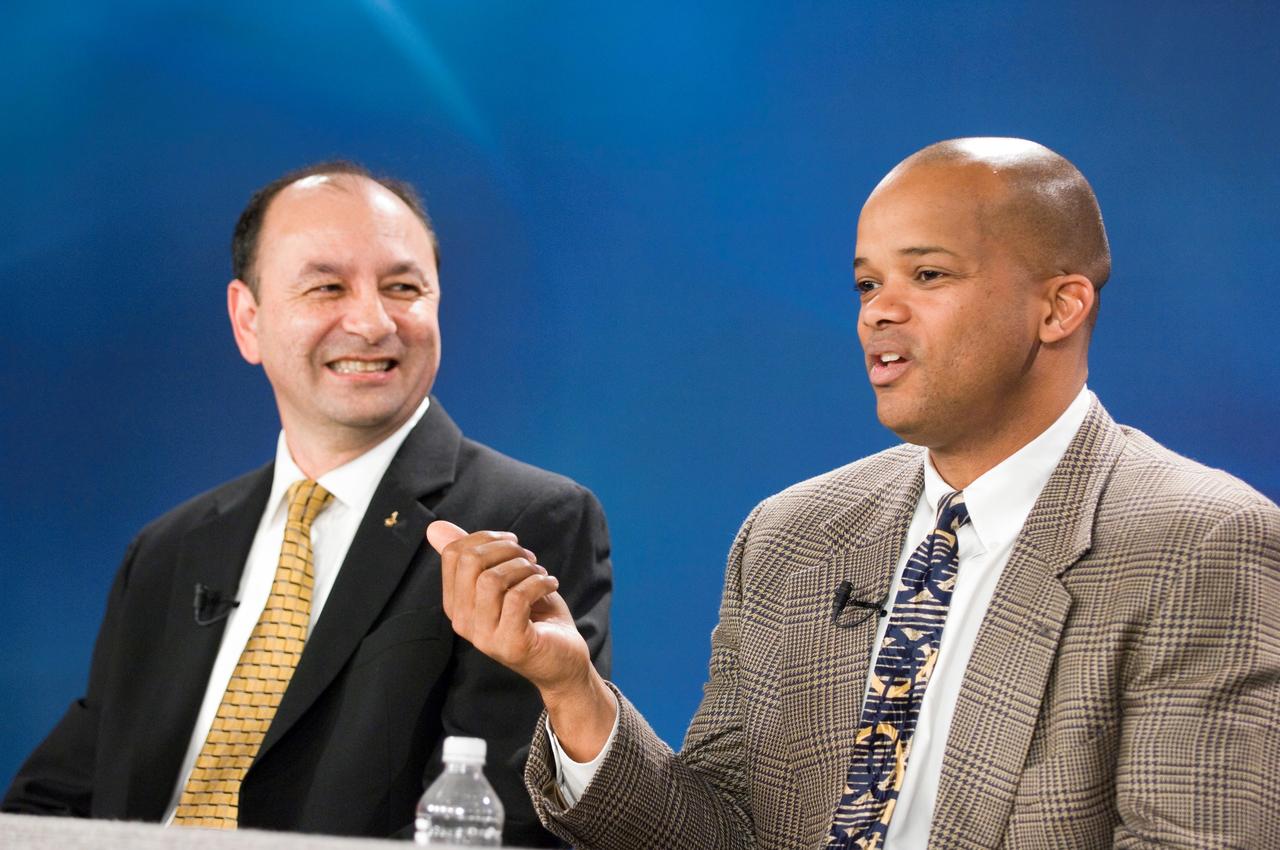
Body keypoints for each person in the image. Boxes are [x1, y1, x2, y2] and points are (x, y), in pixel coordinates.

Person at [430, 138, 1280, 849]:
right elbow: (722, 834)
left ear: (1059, 307)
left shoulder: (1201, 543)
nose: (878, 313)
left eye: (929, 276)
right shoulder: (792, 535)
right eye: (868, 284)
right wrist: (571, 690)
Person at [2, 162, 613, 846]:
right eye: (327, 287)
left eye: (403, 288)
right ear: (248, 321)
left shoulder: (522, 521)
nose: (372, 321)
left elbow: (507, 824)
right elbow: (50, 805)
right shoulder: (167, 552)